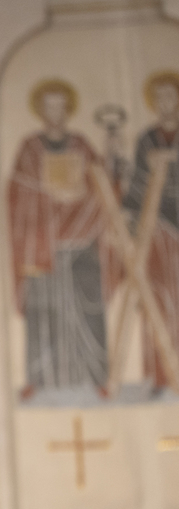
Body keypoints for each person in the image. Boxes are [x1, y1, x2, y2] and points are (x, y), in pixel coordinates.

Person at [7, 79, 120, 400]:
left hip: (82, 239)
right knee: (42, 312)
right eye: (49, 106)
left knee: (89, 308)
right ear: (41, 111)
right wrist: (48, 195)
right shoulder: (30, 148)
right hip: (43, 244)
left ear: (68, 110)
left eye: (60, 106)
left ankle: (97, 376)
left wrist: (111, 156)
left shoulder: (81, 145)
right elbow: (17, 191)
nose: (55, 113)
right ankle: (38, 378)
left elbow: (103, 185)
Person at [121, 71, 179, 392]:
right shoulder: (146, 139)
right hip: (159, 227)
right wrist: (129, 218)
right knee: (158, 295)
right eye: (159, 98)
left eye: (170, 96)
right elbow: (138, 184)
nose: (164, 103)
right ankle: (160, 374)